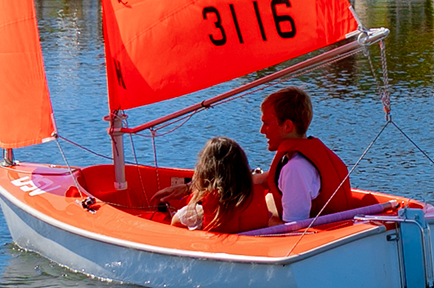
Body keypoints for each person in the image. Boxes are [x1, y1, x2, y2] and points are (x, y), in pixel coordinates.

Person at [256, 86, 364, 223]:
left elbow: (294, 227)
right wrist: (255, 179)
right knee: (268, 199)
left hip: (318, 239)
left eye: (266, 124)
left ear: (287, 126)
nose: (262, 131)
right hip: (335, 230)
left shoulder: (295, 169)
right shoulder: (303, 159)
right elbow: (278, 177)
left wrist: (259, 220)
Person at [156, 136, 270, 234]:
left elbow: (176, 221)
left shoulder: (203, 206)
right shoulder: (257, 194)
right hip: (253, 246)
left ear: (205, 171)